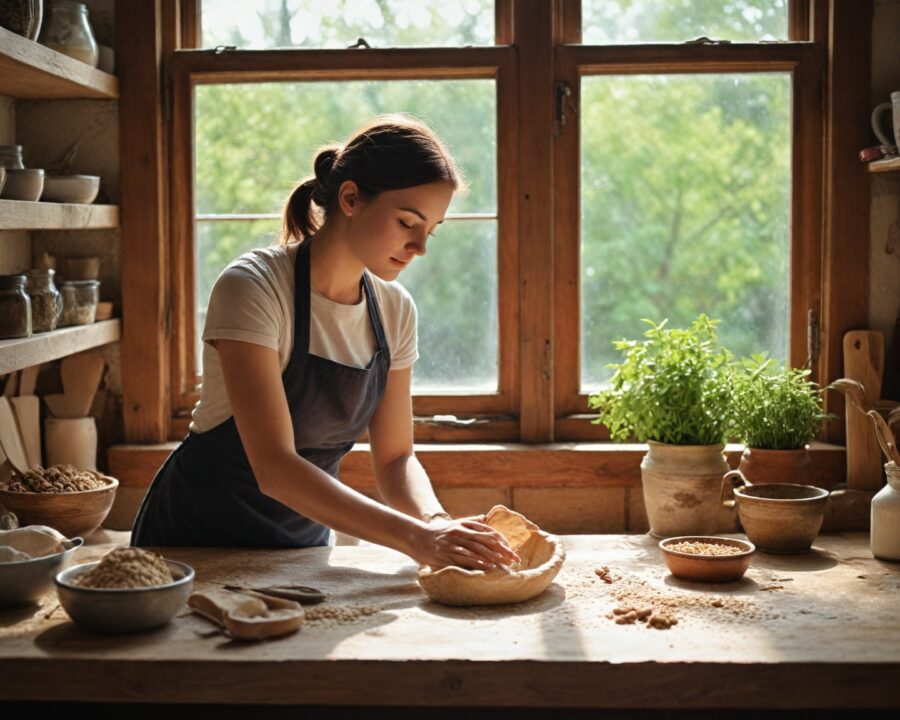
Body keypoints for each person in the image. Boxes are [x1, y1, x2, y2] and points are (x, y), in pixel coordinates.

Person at [132, 114, 519, 572]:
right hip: (190, 547)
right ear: (351, 198)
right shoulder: (253, 287)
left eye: (428, 231)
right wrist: (418, 538)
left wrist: (436, 523)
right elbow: (275, 468)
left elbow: (396, 458)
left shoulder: (394, 310)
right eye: (406, 222)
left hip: (302, 550)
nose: (420, 248)